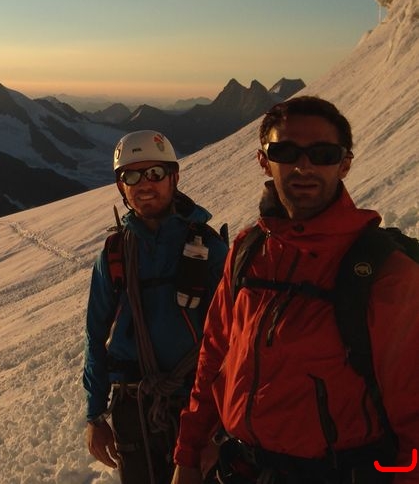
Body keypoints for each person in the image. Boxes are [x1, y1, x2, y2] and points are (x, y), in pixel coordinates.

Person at [172, 96, 419, 484]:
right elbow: (215, 355)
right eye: (285, 152)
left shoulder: (384, 272)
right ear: (264, 160)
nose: (304, 166)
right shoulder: (248, 250)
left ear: (344, 164)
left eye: (323, 154)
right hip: (244, 467)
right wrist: (187, 455)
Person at [83, 130, 228, 484]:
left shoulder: (209, 248)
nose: (144, 184)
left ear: (173, 178)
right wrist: (95, 416)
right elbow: (95, 335)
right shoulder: (114, 254)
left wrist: (221, 430)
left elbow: (232, 339)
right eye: (132, 176)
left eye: (155, 173)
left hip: (198, 404)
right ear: (121, 187)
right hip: (133, 407)